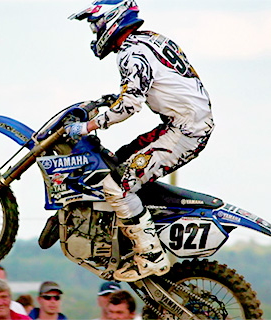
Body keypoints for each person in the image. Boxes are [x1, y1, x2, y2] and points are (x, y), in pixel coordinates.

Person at [68, 0, 214, 282]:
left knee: (118, 185)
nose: (95, 32)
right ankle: (129, 237)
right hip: (182, 124)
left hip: (184, 132)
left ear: (112, 20)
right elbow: (155, 83)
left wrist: (88, 125)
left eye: (96, 24)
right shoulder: (150, 39)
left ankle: (149, 255)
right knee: (117, 162)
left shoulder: (131, 53)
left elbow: (130, 106)